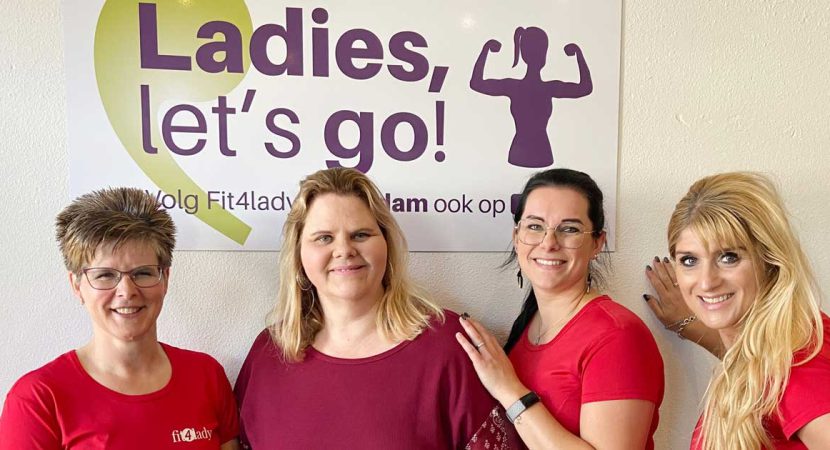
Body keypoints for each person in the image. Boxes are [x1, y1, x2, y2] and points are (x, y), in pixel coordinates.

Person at [234, 168, 519, 449]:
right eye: (324, 237)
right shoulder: (268, 353)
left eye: (360, 234)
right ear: (298, 255)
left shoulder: (450, 346)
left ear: (386, 245)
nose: (344, 250)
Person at [0, 188, 239, 449]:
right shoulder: (38, 399)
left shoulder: (206, 377)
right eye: (105, 275)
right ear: (77, 285)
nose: (127, 291)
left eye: (143, 273)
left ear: (165, 279)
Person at [456, 168, 664, 449]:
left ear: (597, 243)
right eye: (535, 226)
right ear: (517, 236)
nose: (549, 243)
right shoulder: (529, 324)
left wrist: (508, 390)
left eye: (569, 229)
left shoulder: (619, 336)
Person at [644, 172, 830, 449]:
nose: (706, 282)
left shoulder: (797, 363)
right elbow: (758, 371)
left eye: (728, 257)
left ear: (770, 261)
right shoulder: (785, 340)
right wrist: (696, 327)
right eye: (689, 260)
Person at [470, 27, 592, 168]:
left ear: (523, 55)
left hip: (527, 153)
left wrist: (486, 49)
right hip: (538, 153)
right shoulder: (547, 88)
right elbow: (585, 87)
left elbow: (477, 83)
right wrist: (578, 54)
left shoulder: (515, 87)